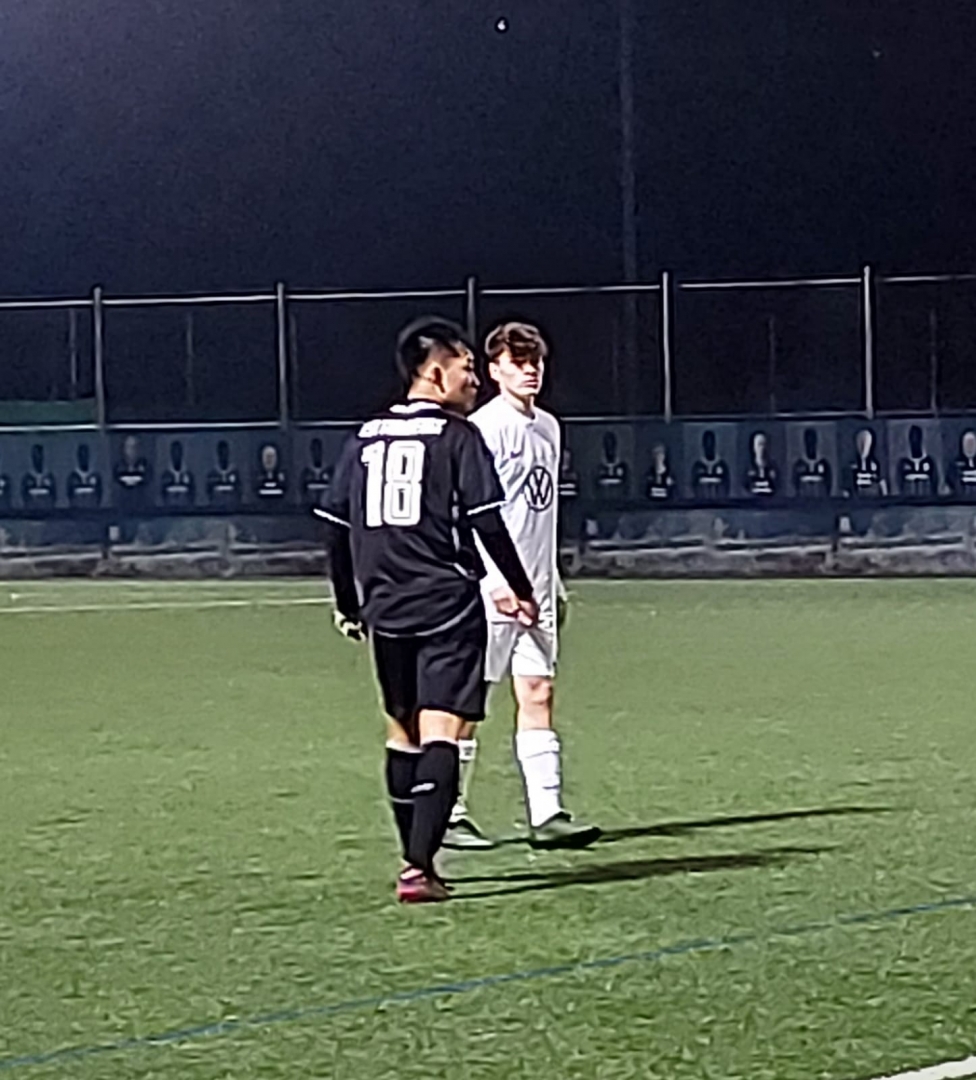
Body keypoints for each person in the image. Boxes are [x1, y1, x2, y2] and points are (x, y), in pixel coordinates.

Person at [318, 316, 537, 903]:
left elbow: (335, 528)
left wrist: (348, 603)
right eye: (467, 368)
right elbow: (487, 520)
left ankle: (413, 860)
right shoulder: (457, 437)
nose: (474, 380)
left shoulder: (365, 436)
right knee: (442, 731)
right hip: (445, 602)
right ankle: (419, 867)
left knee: (401, 733)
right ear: (435, 372)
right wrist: (520, 586)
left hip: (384, 606)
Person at [448, 321, 601, 852]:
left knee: (538, 692)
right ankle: (449, 814)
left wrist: (551, 582)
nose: (530, 370)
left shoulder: (549, 427)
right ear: (495, 370)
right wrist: (493, 582)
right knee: (469, 701)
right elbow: (470, 515)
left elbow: (541, 514)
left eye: (535, 360)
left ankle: (548, 814)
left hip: (535, 591)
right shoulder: (483, 429)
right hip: (494, 592)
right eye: (518, 362)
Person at [897, 424, 938, 498]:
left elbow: (934, 483)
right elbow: (900, 484)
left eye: (917, 437)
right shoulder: (903, 463)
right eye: (912, 438)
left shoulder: (929, 462)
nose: (915, 441)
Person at [845, 428, 886, 498]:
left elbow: (880, 482)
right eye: (860, 442)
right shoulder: (852, 467)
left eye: (866, 443)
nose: (863, 446)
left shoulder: (874, 466)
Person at [114, 435, 151, 511]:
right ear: (124, 449)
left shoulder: (146, 466)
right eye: (129, 447)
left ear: (139, 449)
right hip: (122, 505)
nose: (132, 450)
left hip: (142, 505)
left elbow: (148, 480)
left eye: (135, 447)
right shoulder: (118, 466)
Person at [792, 428, 832, 499]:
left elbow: (828, 485)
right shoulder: (799, 464)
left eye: (812, 441)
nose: (810, 445)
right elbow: (795, 485)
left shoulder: (824, 464)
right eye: (808, 441)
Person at [691, 429, 730, 502]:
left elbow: (726, 487)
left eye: (711, 443)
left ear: (714, 444)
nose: (709, 446)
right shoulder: (698, 467)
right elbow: (694, 487)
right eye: (707, 444)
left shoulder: (722, 465)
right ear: (703, 445)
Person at [160, 440, 196, 509]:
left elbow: (192, 495)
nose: (176, 456)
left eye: (178, 452)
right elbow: (162, 496)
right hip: (169, 511)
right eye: (174, 453)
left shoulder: (189, 475)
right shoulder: (165, 476)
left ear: (181, 454)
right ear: (171, 454)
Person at [207, 440, 242, 509]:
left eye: (225, 453)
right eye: (221, 453)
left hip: (232, 509)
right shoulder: (212, 474)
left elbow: (239, 491)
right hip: (217, 509)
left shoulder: (234, 472)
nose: (224, 456)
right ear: (218, 454)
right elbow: (209, 493)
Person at [21, 444, 56, 510]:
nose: (37, 458)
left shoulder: (49, 477)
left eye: (39, 455)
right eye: (35, 456)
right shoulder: (27, 478)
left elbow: (54, 496)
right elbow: (24, 497)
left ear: (42, 456)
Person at [301, 437, 333, 508]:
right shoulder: (306, 473)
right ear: (311, 452)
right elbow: (302, 493)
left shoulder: (329, 471)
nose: (317, 453)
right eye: (314, 450)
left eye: (318, 450)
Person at [67, 444, 103, 509]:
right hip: (77, 512)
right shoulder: (72, 478)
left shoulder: (95, 476)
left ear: (88, 456)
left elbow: (99, 496)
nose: (83, 458)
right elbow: (70, 496)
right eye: (81, 456)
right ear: (78, 457)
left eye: (85, 455)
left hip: (92, 512)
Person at [744, 431, 778, 497]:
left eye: (764, 444)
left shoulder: (773, 467)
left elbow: (776, 484)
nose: (762, 448)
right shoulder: (748, 468)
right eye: (759, 444)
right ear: (754, 446)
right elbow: (746, 485)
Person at [595, 431, 628, 498]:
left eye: (612, 445)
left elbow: (627, 488)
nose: (610, 449)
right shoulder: (598, 469)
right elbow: (595, 490)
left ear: (615, 446)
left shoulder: (623, 468)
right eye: (607, 445)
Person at [948, 430, 976, 499]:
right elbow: (952, 482)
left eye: (972, 442)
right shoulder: (955, 464)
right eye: (967, 442)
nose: (970, 446)